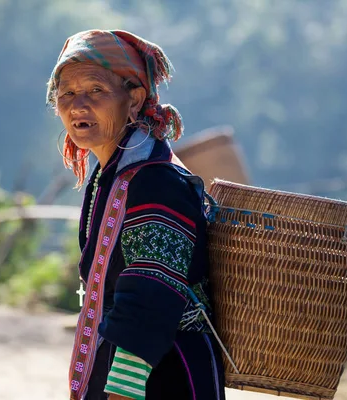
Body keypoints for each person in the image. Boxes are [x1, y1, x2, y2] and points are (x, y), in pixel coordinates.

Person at [46, 29, 226, 400]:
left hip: (161, 377)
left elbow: (151, 294)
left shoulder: (156, 182)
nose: (77, 104)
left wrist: (122, 391)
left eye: (95, 90)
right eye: (66, 93)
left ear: (134, 98)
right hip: (124, 368)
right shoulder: (111, 177)